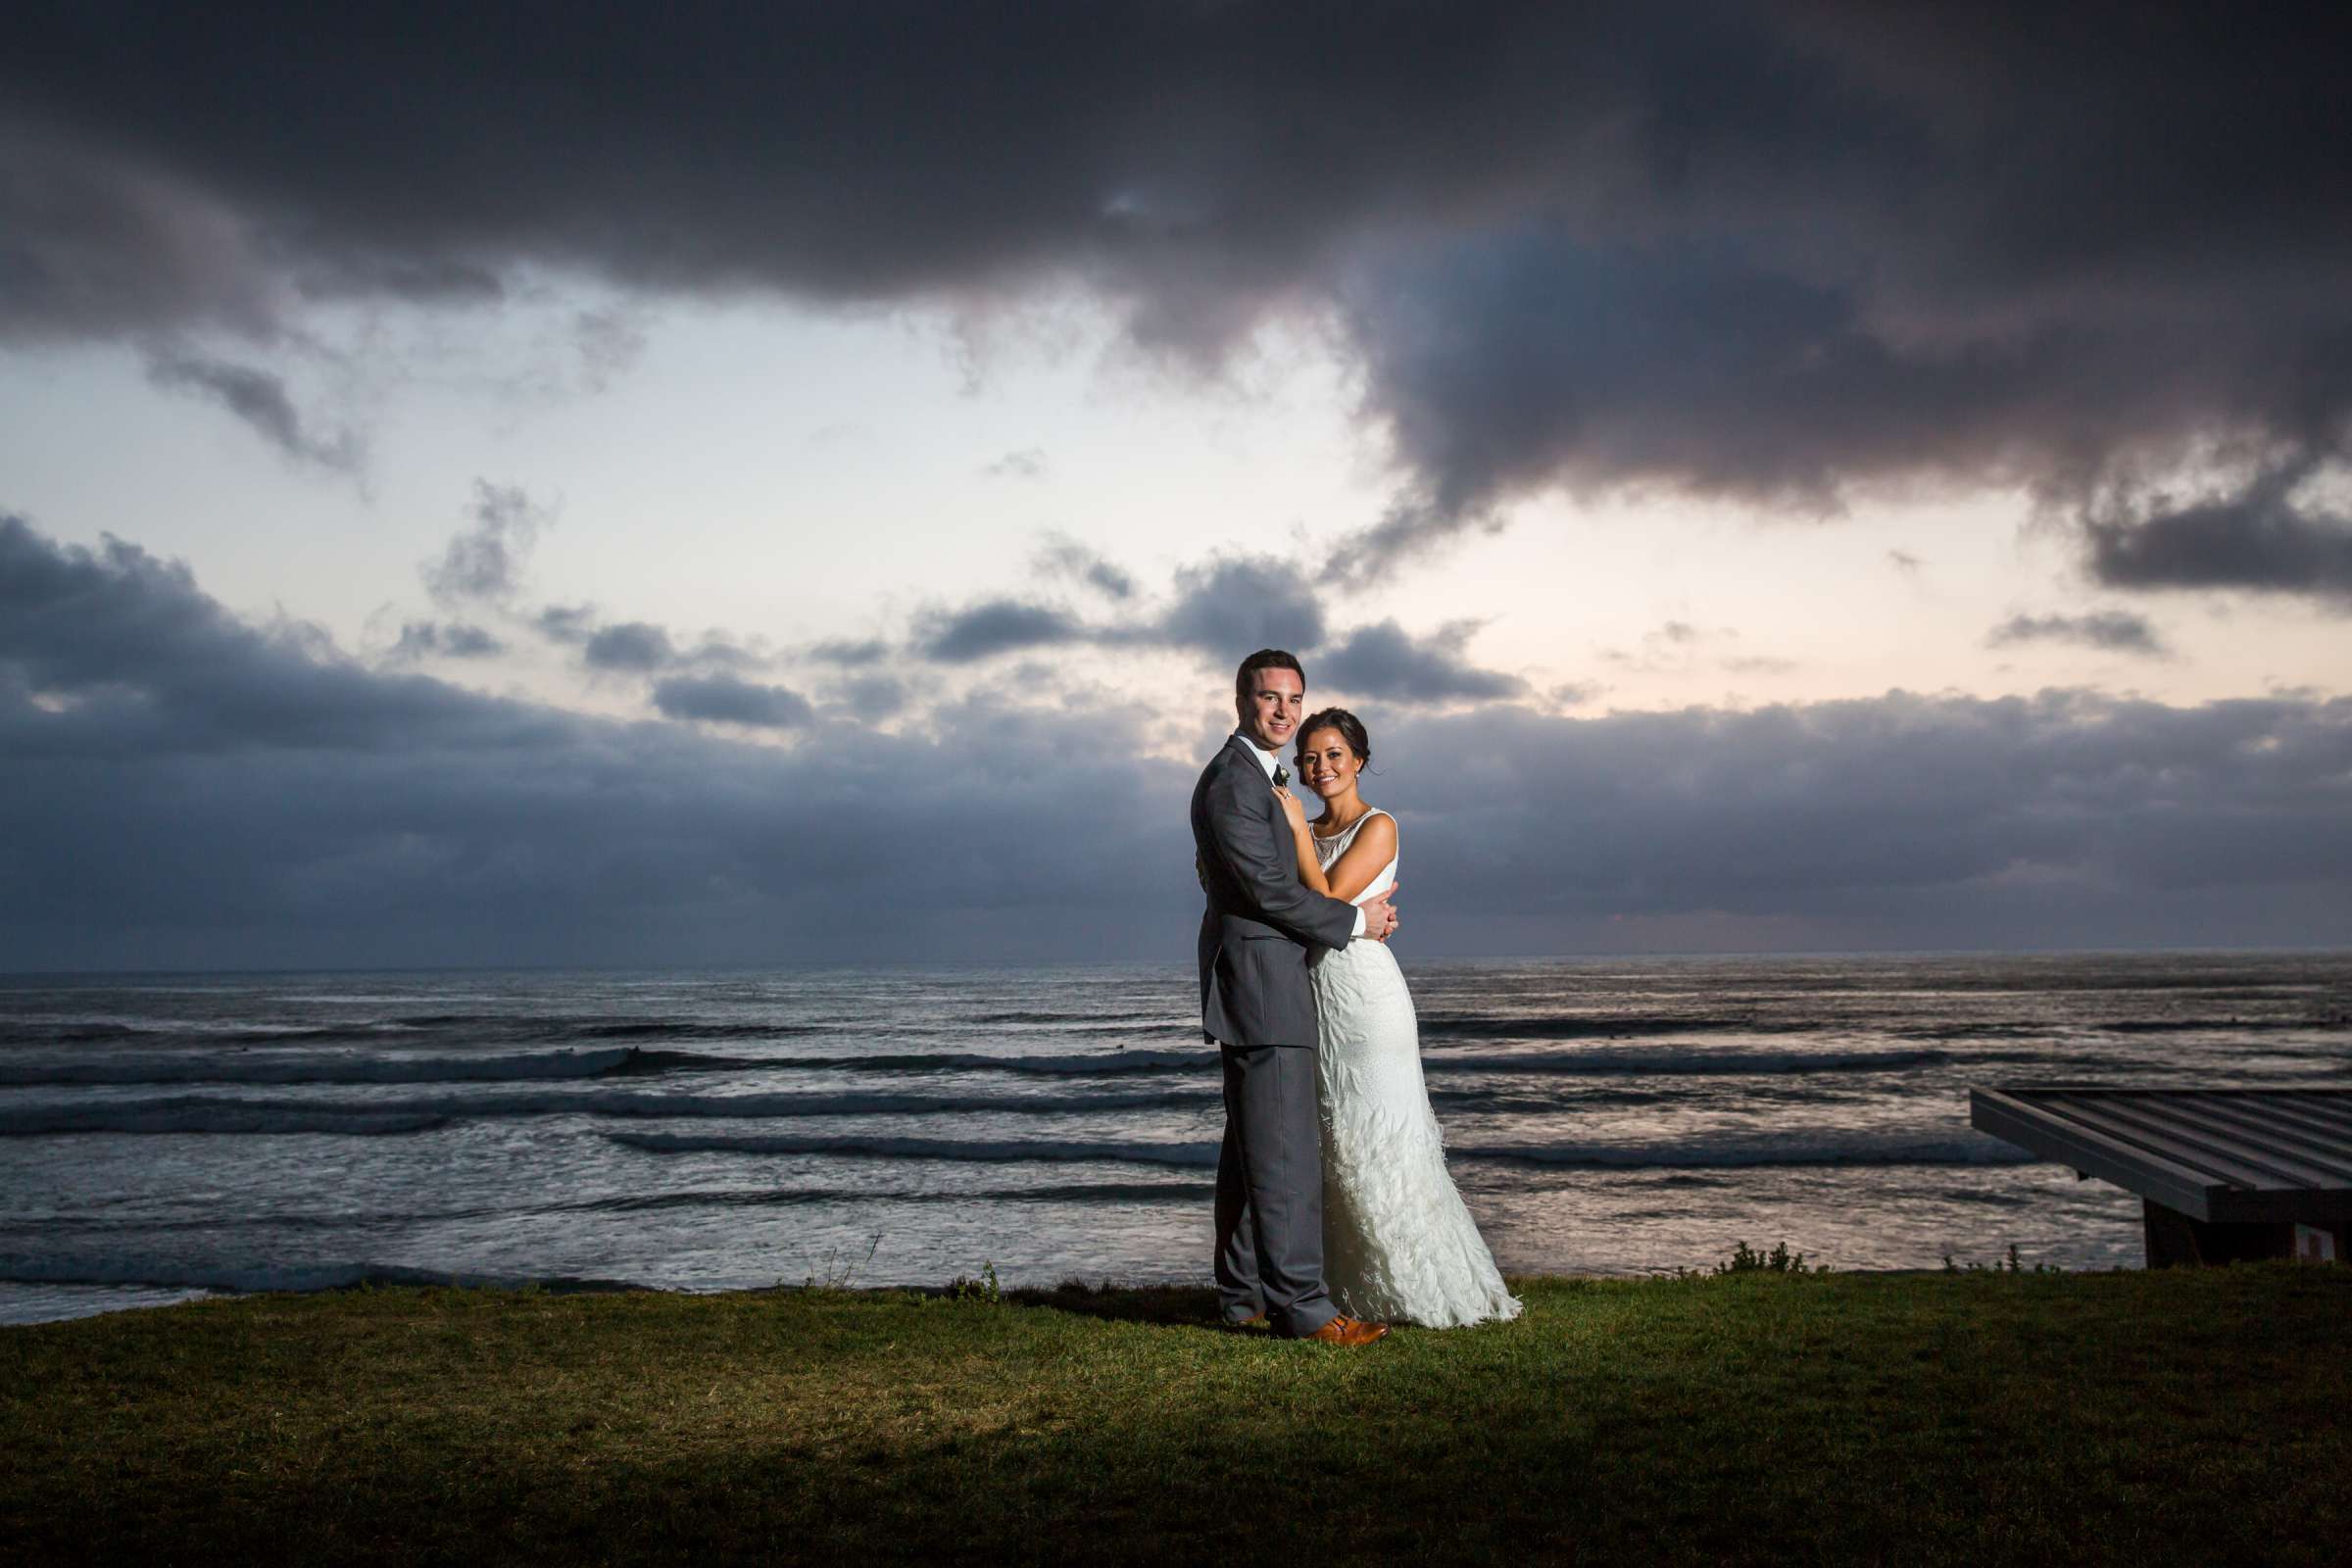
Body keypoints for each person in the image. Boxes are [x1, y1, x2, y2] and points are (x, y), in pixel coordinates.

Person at [1274, 707, 1522, 1328]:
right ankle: (1346, 1291)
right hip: (1315, 994)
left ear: (1358, 759)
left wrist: (1298, 839)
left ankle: (1420, 1285)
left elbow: (1324, 900)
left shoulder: (1377, 825)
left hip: (1366, 998)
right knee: (1336, 1140)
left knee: (1381, 1137)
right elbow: (1284, 902)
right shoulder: (1301, 825)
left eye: (1334, 754)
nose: (1321, 766)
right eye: (1309, 757)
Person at [1190, 650, 1399, 1346]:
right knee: (1284, 1159)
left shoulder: (1259, 780)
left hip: (1267, 979)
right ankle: (1306, 1310)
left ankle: (1241, 1296)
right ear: (1242, 699)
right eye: (1268, 697)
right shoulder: (1232, 783)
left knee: (1254, 1153)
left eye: (1293, 698)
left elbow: (1246, 875)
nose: (1282, 711)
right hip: (1263, 984)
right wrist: (1355, 921)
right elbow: (1268, 891)